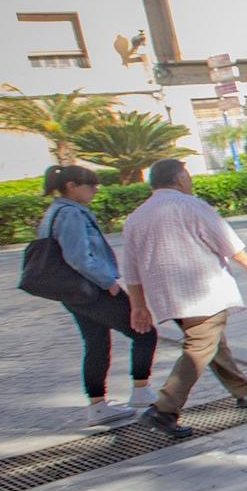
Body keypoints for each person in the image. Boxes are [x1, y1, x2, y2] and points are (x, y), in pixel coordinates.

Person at [124, 158, 247, 439]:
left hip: (168, 297)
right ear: (179, 179)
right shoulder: (190, 206)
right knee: (200, 346)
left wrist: (139, 304)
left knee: (211, 342)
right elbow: (225, 239)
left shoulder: (136, 217)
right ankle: (164, 409)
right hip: (203, 292)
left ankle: (245, 391)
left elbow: (130, 267)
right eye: (188, 175)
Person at [37, 164, 158, 428]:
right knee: (144, 330)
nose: (95, 190)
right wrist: (108, 284)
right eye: (90, 185)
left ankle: (98, 405)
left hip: (75, 292)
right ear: (71, 186)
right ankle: (141, 389)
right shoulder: (70, 214)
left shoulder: (55, 212)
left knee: (96, 343)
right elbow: (78, 257)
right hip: (92, 289)